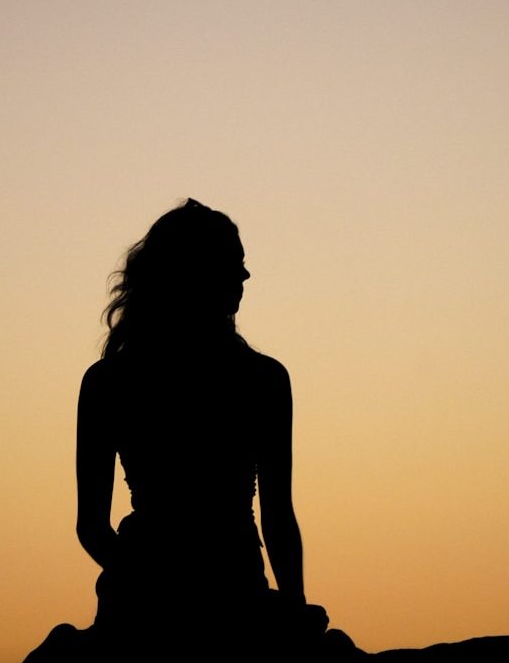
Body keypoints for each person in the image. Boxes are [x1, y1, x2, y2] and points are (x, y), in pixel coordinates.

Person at [23, 199, 358, 661]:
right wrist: (162, 584)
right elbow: (277, 516)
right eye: (232, 264)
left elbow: (93, 529)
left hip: (215, 594)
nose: (245, 276)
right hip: (167, 602)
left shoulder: (111, 381)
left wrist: (293, 608)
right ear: (194, 275)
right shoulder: (260, 379)